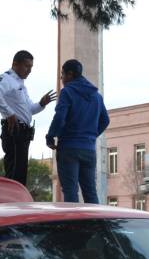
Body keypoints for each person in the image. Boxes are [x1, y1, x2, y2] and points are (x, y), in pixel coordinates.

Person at [0, 50, 56, 186]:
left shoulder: (20, 84)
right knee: (14, 174)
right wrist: (9, 113)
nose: (29, 70)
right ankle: (11, 199)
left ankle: (15, 198)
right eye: (26, 66)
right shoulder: (7, 78)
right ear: (15, 64)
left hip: (22, 132)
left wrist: (41, 104)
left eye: (31, 67)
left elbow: (29, 110)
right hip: (14, 130)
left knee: (20, 173)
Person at [46, 59, 109, 204]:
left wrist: (50, 136)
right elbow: (105, 120)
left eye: (62, 74)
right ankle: (95, 219)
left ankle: (72, 219)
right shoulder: (96, 96)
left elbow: (60, 117)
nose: (61, 78)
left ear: (70, 74)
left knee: (70, 191)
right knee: (90, 192)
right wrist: (91, 136)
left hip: (68, 148)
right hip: (89, 150)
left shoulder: (67, 92)